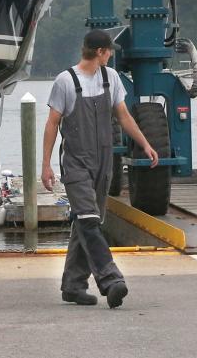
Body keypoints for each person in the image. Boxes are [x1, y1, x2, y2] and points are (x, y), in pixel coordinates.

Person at [41, 29, 159, 309]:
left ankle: (72, 285)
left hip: (104, 162)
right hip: (76, 162)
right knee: (89, 221)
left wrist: (145, 144)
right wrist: (45, 165)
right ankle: (111, 279)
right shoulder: (65, 82)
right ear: (100, 52)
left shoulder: (111, 78)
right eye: (109, 51)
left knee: (86, 222)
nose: (111, 55)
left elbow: (123, 115)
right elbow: (52, 124)